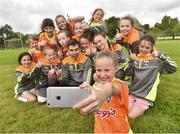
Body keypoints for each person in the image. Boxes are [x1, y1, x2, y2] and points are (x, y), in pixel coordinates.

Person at [73, 51, 132, 133]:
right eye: (99, 70)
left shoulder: (121, 85)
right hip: (100, 130)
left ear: (116, 68)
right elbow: (90, 109)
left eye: (106, 70)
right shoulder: (95, 86)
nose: (102, 74)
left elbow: (110, 88)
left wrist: (102, 94)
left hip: (120, 131)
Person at [125, 34, 177, 119]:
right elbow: (128, 73)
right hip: (133, 93)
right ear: (138, 46)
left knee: (131, 116)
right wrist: (131, 61)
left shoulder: (157, 61)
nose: (143, 49)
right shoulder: (135, 59)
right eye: (142, 46)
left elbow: (173, 68)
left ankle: (146, 105)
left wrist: (160, 55)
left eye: (147, 48)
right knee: (124, 113)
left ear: (152, 48)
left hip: (146, 96)